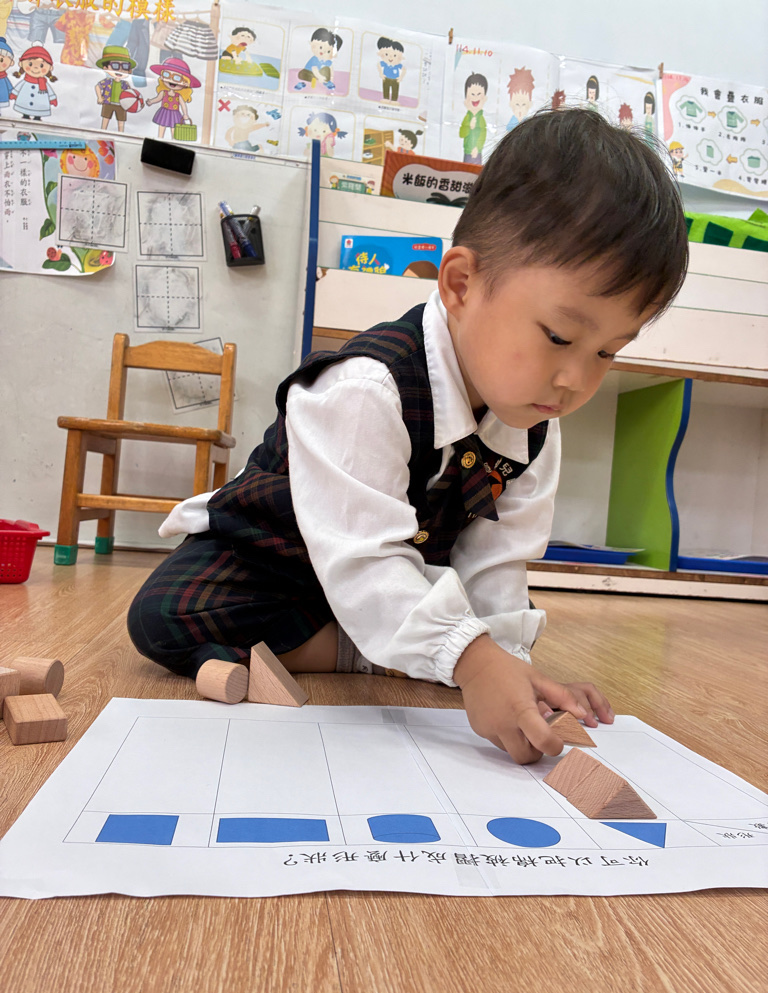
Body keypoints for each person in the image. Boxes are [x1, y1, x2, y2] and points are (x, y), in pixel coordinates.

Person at [128, 108, 688, 765]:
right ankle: (378, 644)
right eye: (560, 336)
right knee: (164, 616)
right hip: (275, 555)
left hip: (397, 568)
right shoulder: (367, 386)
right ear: (460, 284)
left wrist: (506, 662)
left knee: (475, 616)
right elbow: (361, 555)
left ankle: (392, 636)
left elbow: (497, 563)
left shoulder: (535, 419)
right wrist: (467, 659)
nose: (575, 380)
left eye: (608, 352)